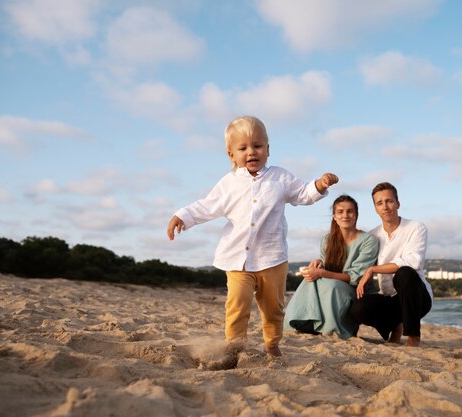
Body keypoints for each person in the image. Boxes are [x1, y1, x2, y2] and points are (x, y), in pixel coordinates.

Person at [167, 115, 338, 357]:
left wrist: (319, 185)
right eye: (243, 148)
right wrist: (182, 216)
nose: (251, 152)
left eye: (258, 146)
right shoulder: (229, 183)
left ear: (268, 149)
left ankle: (272, 344)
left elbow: (302, 194)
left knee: (273, 308)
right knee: (237, 303)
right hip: (237, 259)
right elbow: (208, 205)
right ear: (231, 154)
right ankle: (235, 345)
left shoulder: (280, 177)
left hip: (273, 259)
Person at [284, 195, 378, 339]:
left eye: (350, 211)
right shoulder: (327, 240)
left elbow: (355, 278)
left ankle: (332, 329)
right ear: (334, 216)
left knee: (331, 286)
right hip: (331, 283)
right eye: (340, 212)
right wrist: (319, 264)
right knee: (309, 280)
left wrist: (321, 272)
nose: (345, 215)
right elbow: (326, 264)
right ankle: (302, 323)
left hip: (357, 290)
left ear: (356, 215)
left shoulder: (368, 241)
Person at [351, 182, 432, 347]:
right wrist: (322, 263)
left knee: (404, 273)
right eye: (379, 203)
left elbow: (413, 261)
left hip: (417, 298)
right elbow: (355, 261)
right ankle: (395, 326)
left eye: (389, 201)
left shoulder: (416, 227)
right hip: (390, 299)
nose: (385, 207)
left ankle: (413, 336)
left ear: (398, 203)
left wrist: (373, 269)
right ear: (375, 208)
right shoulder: (372, 235)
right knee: (358, 309)